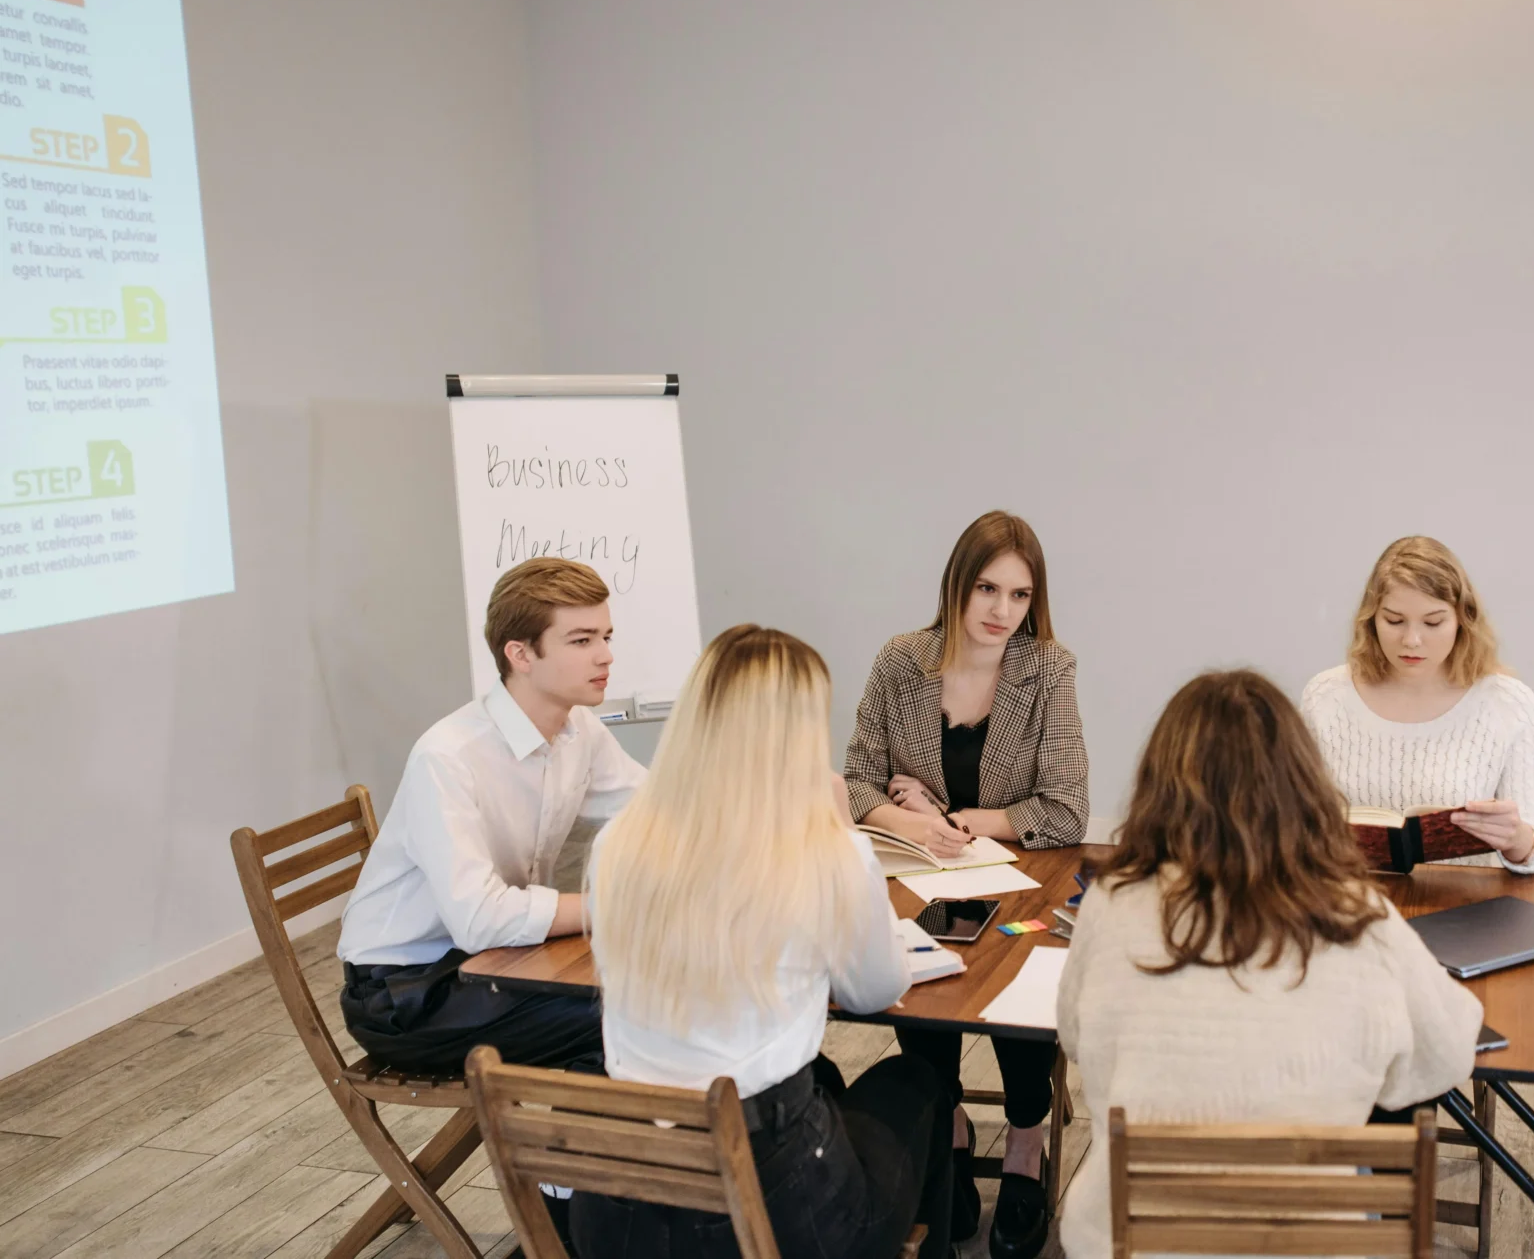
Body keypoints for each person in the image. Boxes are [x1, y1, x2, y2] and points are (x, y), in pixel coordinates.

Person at [1056, 670, 1483, 1259]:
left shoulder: (1110, 901)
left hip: (1129, 1237)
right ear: (1301, 784)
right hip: (1313, 1242)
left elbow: (1074, 1038)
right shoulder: (1361, 917)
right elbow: (1444, 1058)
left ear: (1160, 783)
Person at [573, 625, 953, 1259]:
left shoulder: (621, 843)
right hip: (773, 1211)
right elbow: (873, 990)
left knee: (824, 1076)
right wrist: (838, 830)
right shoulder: (826, 853)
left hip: (619, 1212)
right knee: (917, 1083)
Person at [336, 556, 645, 1246]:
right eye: (582, 640)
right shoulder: (448, 756)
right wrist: (607, 907)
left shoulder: (577, 731)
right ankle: (566, 1224)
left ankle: (597, 1199)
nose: (606, 656)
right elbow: (478, 916)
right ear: (520, 654)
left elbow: (660, 810)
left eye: (606, 635)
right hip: (405, 994)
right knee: (622, 1011)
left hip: (493, 961)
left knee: (637, 995)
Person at [844, 510, 1089, 1259]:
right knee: (914, 979)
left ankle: (1024, 1140)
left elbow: (1068, 807)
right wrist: (907, 822)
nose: (1001, 612)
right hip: (918, 873)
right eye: (987, 588)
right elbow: (853, 780)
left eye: (1019, 595)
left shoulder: (1048, 669)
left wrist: (954, 816)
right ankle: (943, 1126)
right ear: (957, 584)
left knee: (1016, 990)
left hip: (1018, 877)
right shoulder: (900, 661)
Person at [1301, 535, 1534, 874]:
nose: (1411, 640)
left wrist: (1517, 840)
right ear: (1371, 619)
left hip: (1462, 911)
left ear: (1462, 620)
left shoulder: (1509, 704)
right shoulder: (1325, 696)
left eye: (1433, 622)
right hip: (1347, 905)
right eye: (1393, 620)